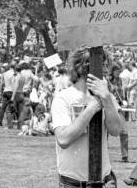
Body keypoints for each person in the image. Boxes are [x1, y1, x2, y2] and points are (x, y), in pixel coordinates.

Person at [51, 48, 123, 187]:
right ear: (83, 68)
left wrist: (107, 98)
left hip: (104, 180)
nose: (106, 70)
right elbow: (64, 139)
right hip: (74, 183)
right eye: (101, 64)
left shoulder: (106, 95)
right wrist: (91, 108)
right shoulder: (63, 98)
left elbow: (116, 130)